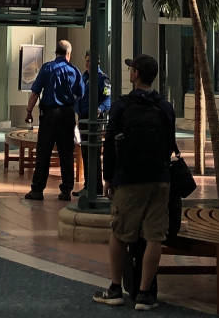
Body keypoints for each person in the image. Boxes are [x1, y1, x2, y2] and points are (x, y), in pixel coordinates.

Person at [94, 55, 177, 310]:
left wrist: (107, 177)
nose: (130, 72)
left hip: (129, 179)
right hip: (160, 179)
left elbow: (109, 145)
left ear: (136, 74)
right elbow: (170, 143)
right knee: (154, 237)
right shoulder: (165, 107)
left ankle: (115, 288)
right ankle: (144, 295)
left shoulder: (122, 106)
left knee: (119, 234)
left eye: (132, 69)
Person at [24, 37, 83, 202]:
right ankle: (66, 191)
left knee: (44, 152)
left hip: (49, 115)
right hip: (67, 115)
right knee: (66, 153)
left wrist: (29, 112)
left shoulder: (47, 68)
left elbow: (35, 92)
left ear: (56, 52)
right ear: (68, 54)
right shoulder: (74, 71)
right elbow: (81, 94)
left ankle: (37, 190)